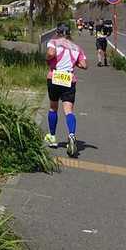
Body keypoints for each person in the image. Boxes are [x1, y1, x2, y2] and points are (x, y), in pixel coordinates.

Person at [45, 23, 87, 156]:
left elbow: (51, 53)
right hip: (69, 79)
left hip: (55, 76)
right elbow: (84, 65)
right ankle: (72, 135)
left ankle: (52, 137)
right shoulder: (76, 47)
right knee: (69, 111)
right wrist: (74, 63)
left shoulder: (53, 42)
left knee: (53, 108)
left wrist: (48, 58)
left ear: (58, 32)